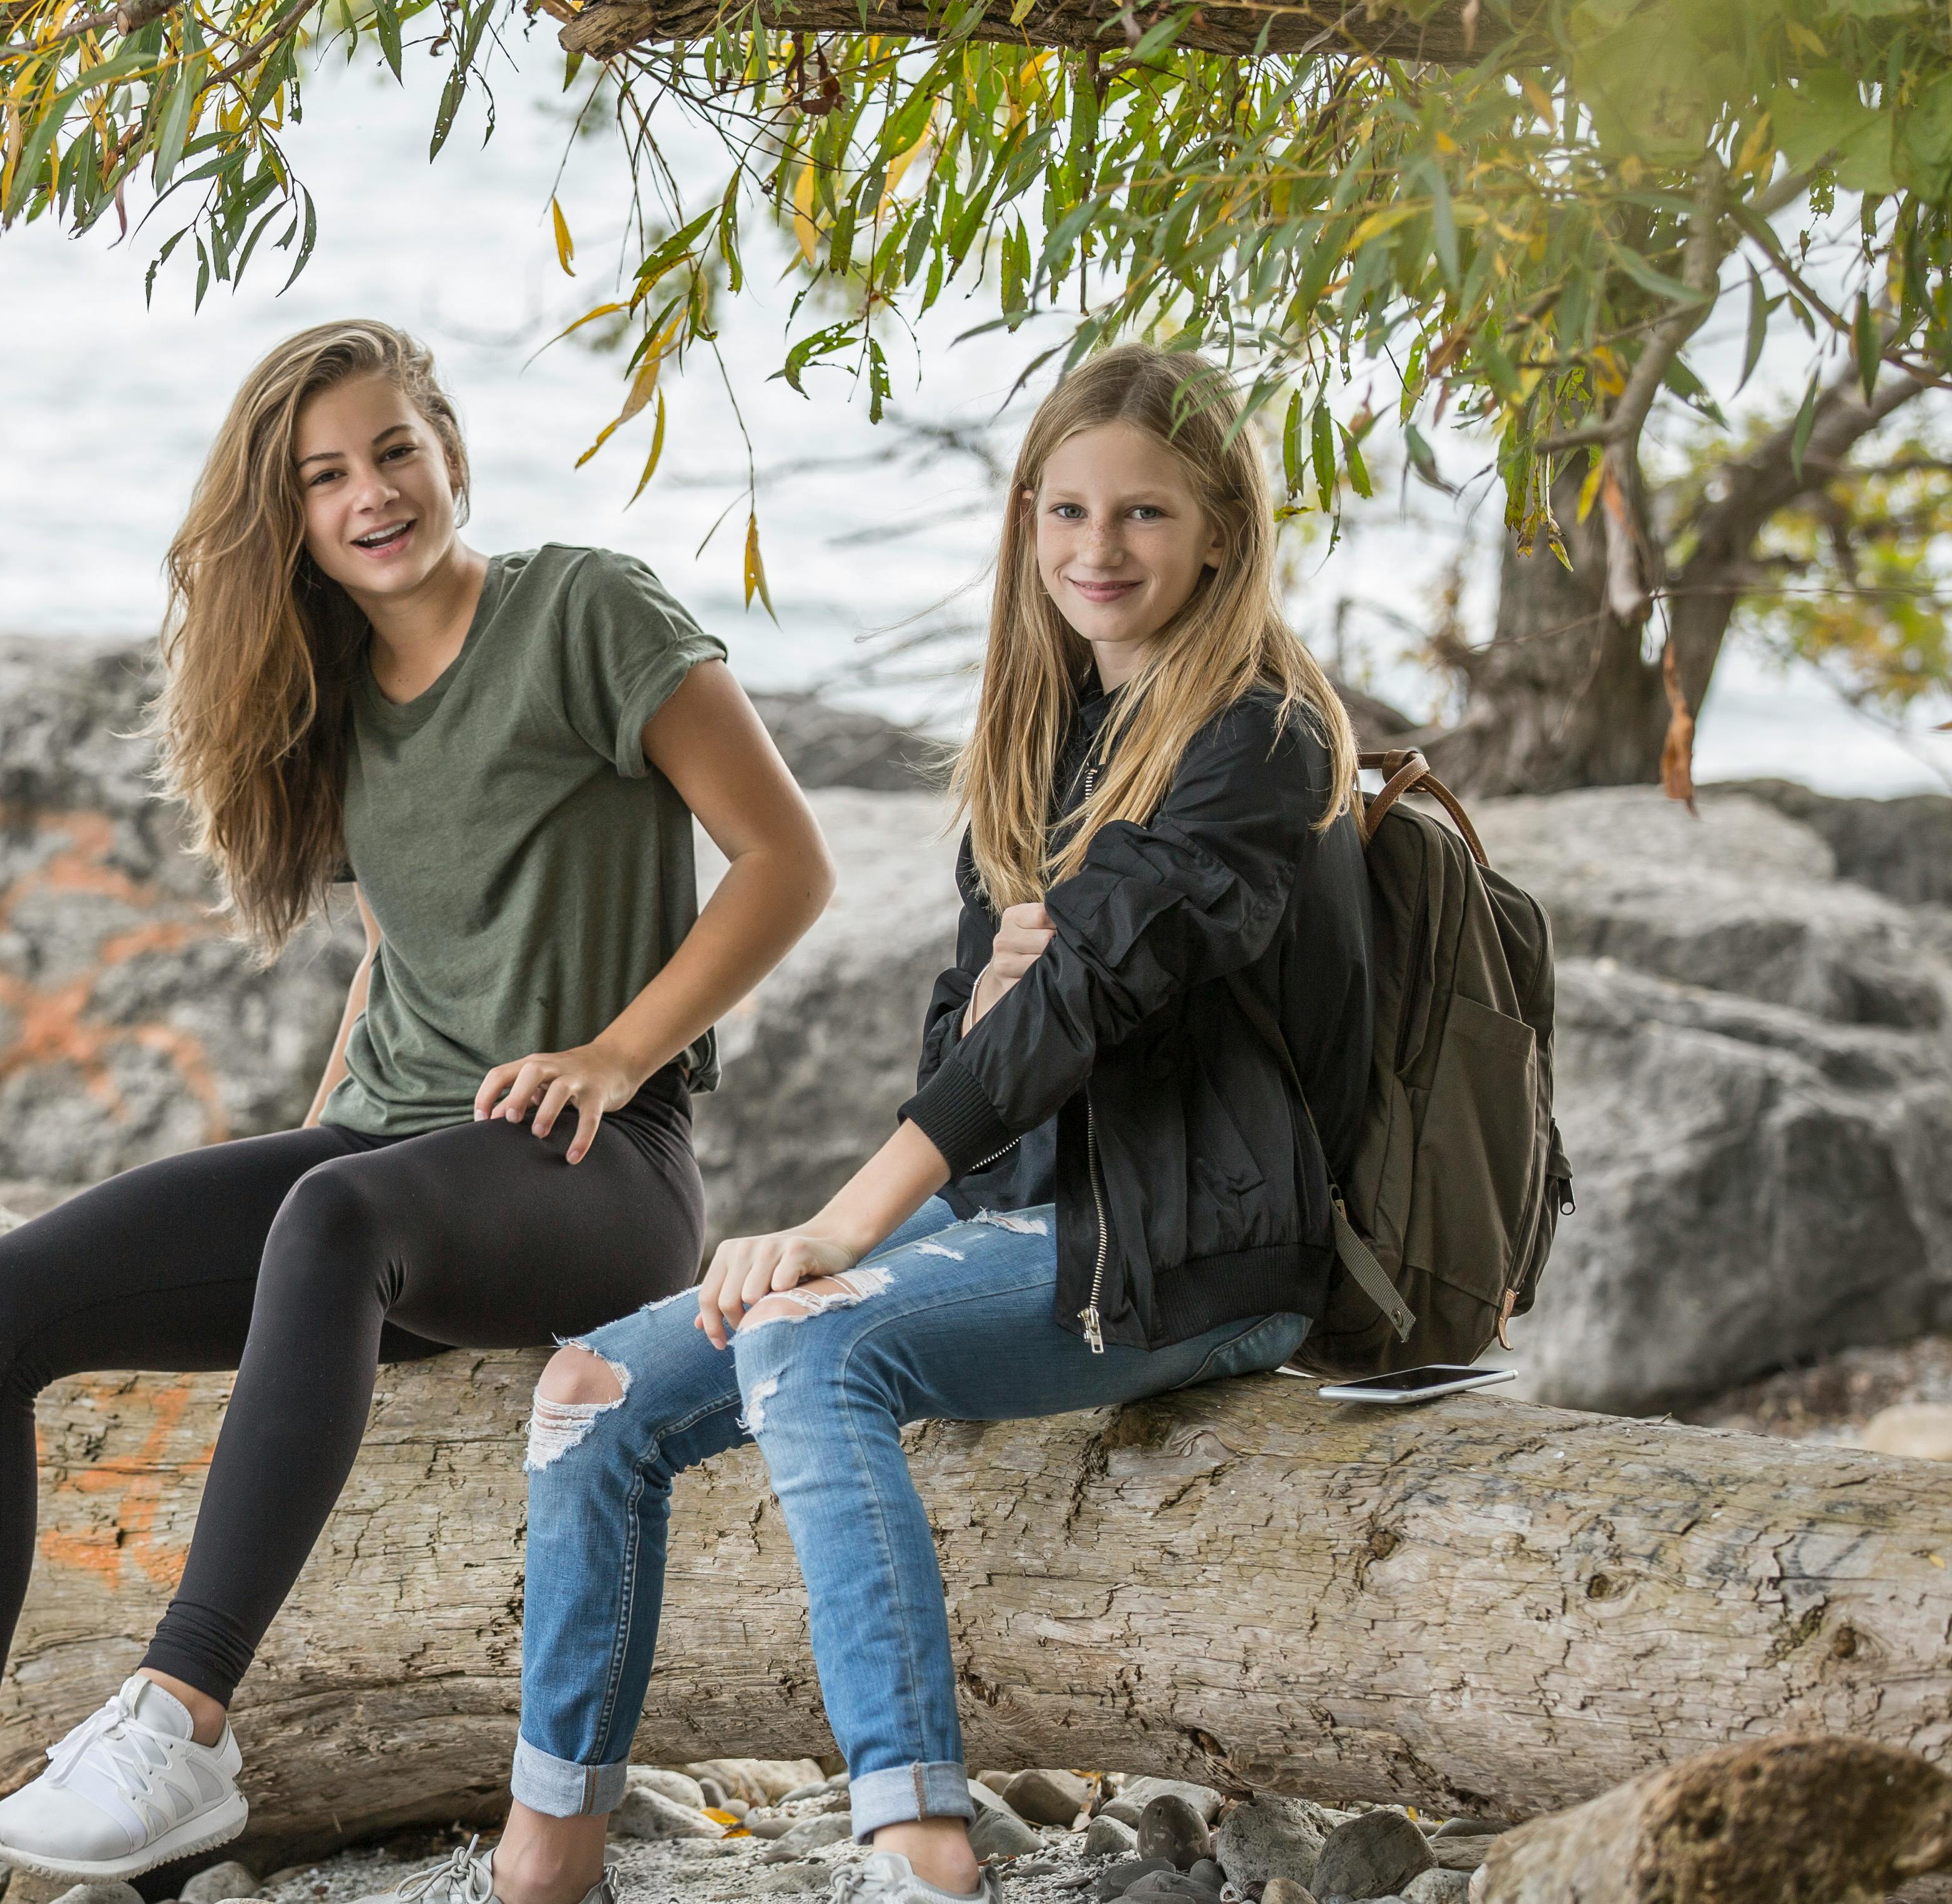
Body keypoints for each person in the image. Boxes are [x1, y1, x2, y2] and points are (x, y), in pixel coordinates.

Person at [0, 318, 836, 1904]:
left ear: (452, 454)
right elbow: (401, 944)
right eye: (323, 478)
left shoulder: (586, 611)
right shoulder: (335, 687)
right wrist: (306, 1144)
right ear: (284, 517)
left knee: (332, 1211)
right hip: (385, 1177)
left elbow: (786, 862)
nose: (370, 496)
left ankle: (178, 1724)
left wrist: (616, 1055)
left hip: (595, 1169)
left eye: (393, 453)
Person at [409, 343, 1373, 1904]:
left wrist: (845, 1223)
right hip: (1030, 1206)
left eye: (1141, 514)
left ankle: (918, 1850)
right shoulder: (1043, 729)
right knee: (590, 1387)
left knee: (807, 1336)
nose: (1094, 549)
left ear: (1219, 533)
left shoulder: (1259, 739)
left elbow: (1086, 1005)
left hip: (1198, 1247)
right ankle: (545, 1858)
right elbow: (973, 1036)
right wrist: (993, 1002)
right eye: (1062, 508)